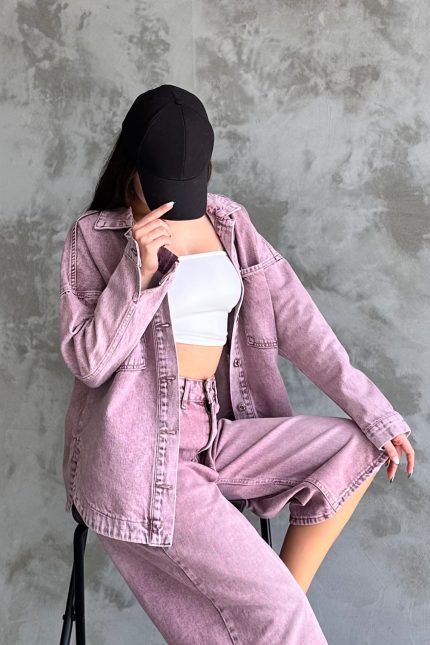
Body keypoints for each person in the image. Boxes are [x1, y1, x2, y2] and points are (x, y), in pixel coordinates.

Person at [58, 84, 415, 644]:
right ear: (134, 164)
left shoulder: (228, 222)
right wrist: (139, 271)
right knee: (279, 615)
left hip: (217, 430)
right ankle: (277, 615)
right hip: (141, 451)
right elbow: (90, 363)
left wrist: (376, 411)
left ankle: (278, 608)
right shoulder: (96, 237)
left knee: (356, 446)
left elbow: (301, 322)